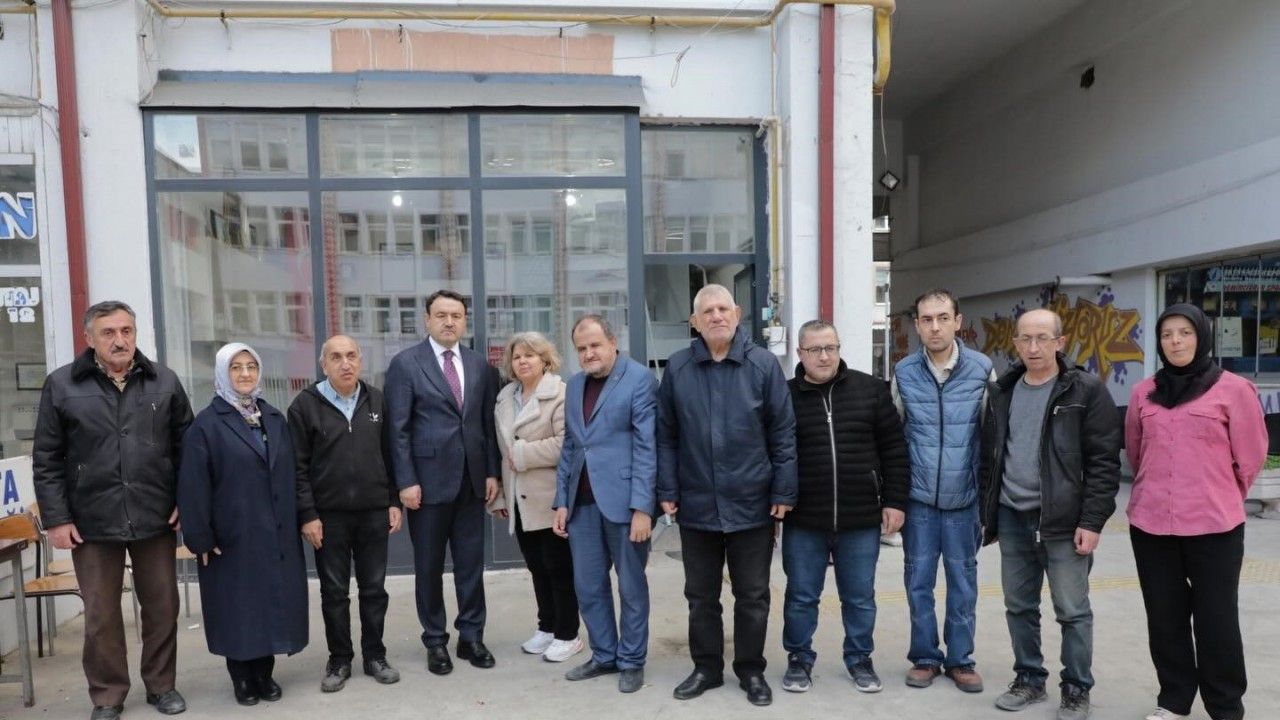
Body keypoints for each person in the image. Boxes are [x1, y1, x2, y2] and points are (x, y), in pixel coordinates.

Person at [33, 300, 193, 720]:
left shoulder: (164, 381)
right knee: (101, 615)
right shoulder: (62, 385)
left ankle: (161, 686)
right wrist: (57, 518)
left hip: (155, 513)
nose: (120, 340)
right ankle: (108, 695)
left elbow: (188, 449)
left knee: (162, 607)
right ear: (89, 338)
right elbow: (47, 458)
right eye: (108, 333)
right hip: (91, 520)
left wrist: (186, 501)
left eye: (126, 331)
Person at [657, 284, 797, 707]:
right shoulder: (678, 367)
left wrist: (783, 489)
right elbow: (666, 435)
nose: (716, 316)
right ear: (694, 322)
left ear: (737, 314)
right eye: (707, 311)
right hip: (696, 502)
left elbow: (783, 433)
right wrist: (668, 488)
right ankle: (706, 668)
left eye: (723, 308)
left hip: (751, 501)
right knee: (701, 597)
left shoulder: (763, 365)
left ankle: (751, 670)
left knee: (752, 595)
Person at [1125, 304, 1266, 720]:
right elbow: (1136, 453)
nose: (1176, 341)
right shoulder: (1144, 392)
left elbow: (1251, 458)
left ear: (1202, 336)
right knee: (1164, 618)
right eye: (1167, 334)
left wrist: (1217, 492)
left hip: (1214, 526)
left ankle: (1225, 706)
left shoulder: (1234, 390)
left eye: (1185, 332)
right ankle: (1174, 700)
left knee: (1216, 620)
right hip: (1151, 524)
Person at [979, 308, 1121, 720]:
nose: (1033, 347)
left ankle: (1076, 688)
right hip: (1012, 516)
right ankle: (1029, 679)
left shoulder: (1085, 390)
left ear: (1060, 342)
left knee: (1072, 611)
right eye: (1025, 339)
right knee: (1018, 606)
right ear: (1015, 344)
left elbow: (1103, 462)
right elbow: (990, 456)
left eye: (1042, 338)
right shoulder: (1003, 391)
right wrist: (988, 510)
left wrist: (1092, 521)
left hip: (1064, 521)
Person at [781, 320, 910, 694]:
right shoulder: (785, 396)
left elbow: (894, 449)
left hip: (860, 517)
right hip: (804, 518)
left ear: (839, 348)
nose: (824, 356)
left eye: (831, 348)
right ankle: (799, 659)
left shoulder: (870, 390)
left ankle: (859, 659)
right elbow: (774, 453)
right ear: (800, 353)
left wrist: (895, 501)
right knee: (801, 596)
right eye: (815, 349)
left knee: (859, 597)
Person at [177, 343, 309, 706]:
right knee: (238, 607)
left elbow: (291, 472)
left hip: (274, 532)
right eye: (236, 367)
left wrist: (302, 517)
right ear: (223, 373)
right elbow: (193, 485)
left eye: (251, 366)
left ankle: (264, 674)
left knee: (270, 603)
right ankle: (242, 678)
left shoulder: (273, 418)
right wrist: (200, 537)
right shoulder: (206, 425)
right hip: (231, 535)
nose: (246, 374)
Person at [384, 289, 502, 675]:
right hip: (427, 486)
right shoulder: (406, 364)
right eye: (441, 315)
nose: (449, 322)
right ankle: (435, 640)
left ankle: (471, 636)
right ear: (427, 320)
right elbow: (397, 429)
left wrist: (491, 472)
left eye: (456, 315)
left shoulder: (480, 366)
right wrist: (405, 481)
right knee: (429, 567)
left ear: (465, 321)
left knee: (471, 565)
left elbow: (486, 424)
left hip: (471, 483)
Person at [891, 288, 993, 694]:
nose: (935, 327)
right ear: (917, 325)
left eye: (943, 318)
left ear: (958, 322)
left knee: (963, 584)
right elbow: (893, 438)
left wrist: (986, 500)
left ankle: (961, 660)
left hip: (963, 501)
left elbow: (991, 439)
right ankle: (925, 657)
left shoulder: (982, 370)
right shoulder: (903, 373)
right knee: (918, 583)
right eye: (927, 320)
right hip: (918, 502)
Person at [287, 335, 403, 693]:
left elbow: (391, 455)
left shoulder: (377, 400)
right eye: (336, 357)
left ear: (360, 360)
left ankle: (375, 655)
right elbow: (297, 468)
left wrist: (393, 501)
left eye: (352, 355)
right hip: (328, 517)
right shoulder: (305, 406)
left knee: (374, 589)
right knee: (334, 593)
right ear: (324, 364)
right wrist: (308, 514)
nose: (345, 363)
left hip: (373, 513)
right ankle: (339, 659)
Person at [551, 315, 658, 694]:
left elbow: (648, 446)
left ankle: (631, 660)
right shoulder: (574, 385)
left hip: (625, 505)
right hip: (581, 506)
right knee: (588, 586)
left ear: (613, 342)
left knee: (631, 587)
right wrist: (561, 501)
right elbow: (570, 445)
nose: (588, 353)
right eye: (581, 348)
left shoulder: (640, 379)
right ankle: (604, 654)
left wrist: (643, 507)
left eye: (595, 345)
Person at [485, 331, 581, 663]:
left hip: (550, 497)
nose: (523, 361)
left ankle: (568, 634)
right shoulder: (505, 397)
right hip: (518, 498)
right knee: (537, 567)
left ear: (545, 359)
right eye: (517, 356)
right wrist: (501, 496)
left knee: (559, 569)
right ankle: (547, 627)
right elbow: (501, 449)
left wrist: (523, 454)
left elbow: (567, 442)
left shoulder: (560, 393)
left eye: (530, 355)